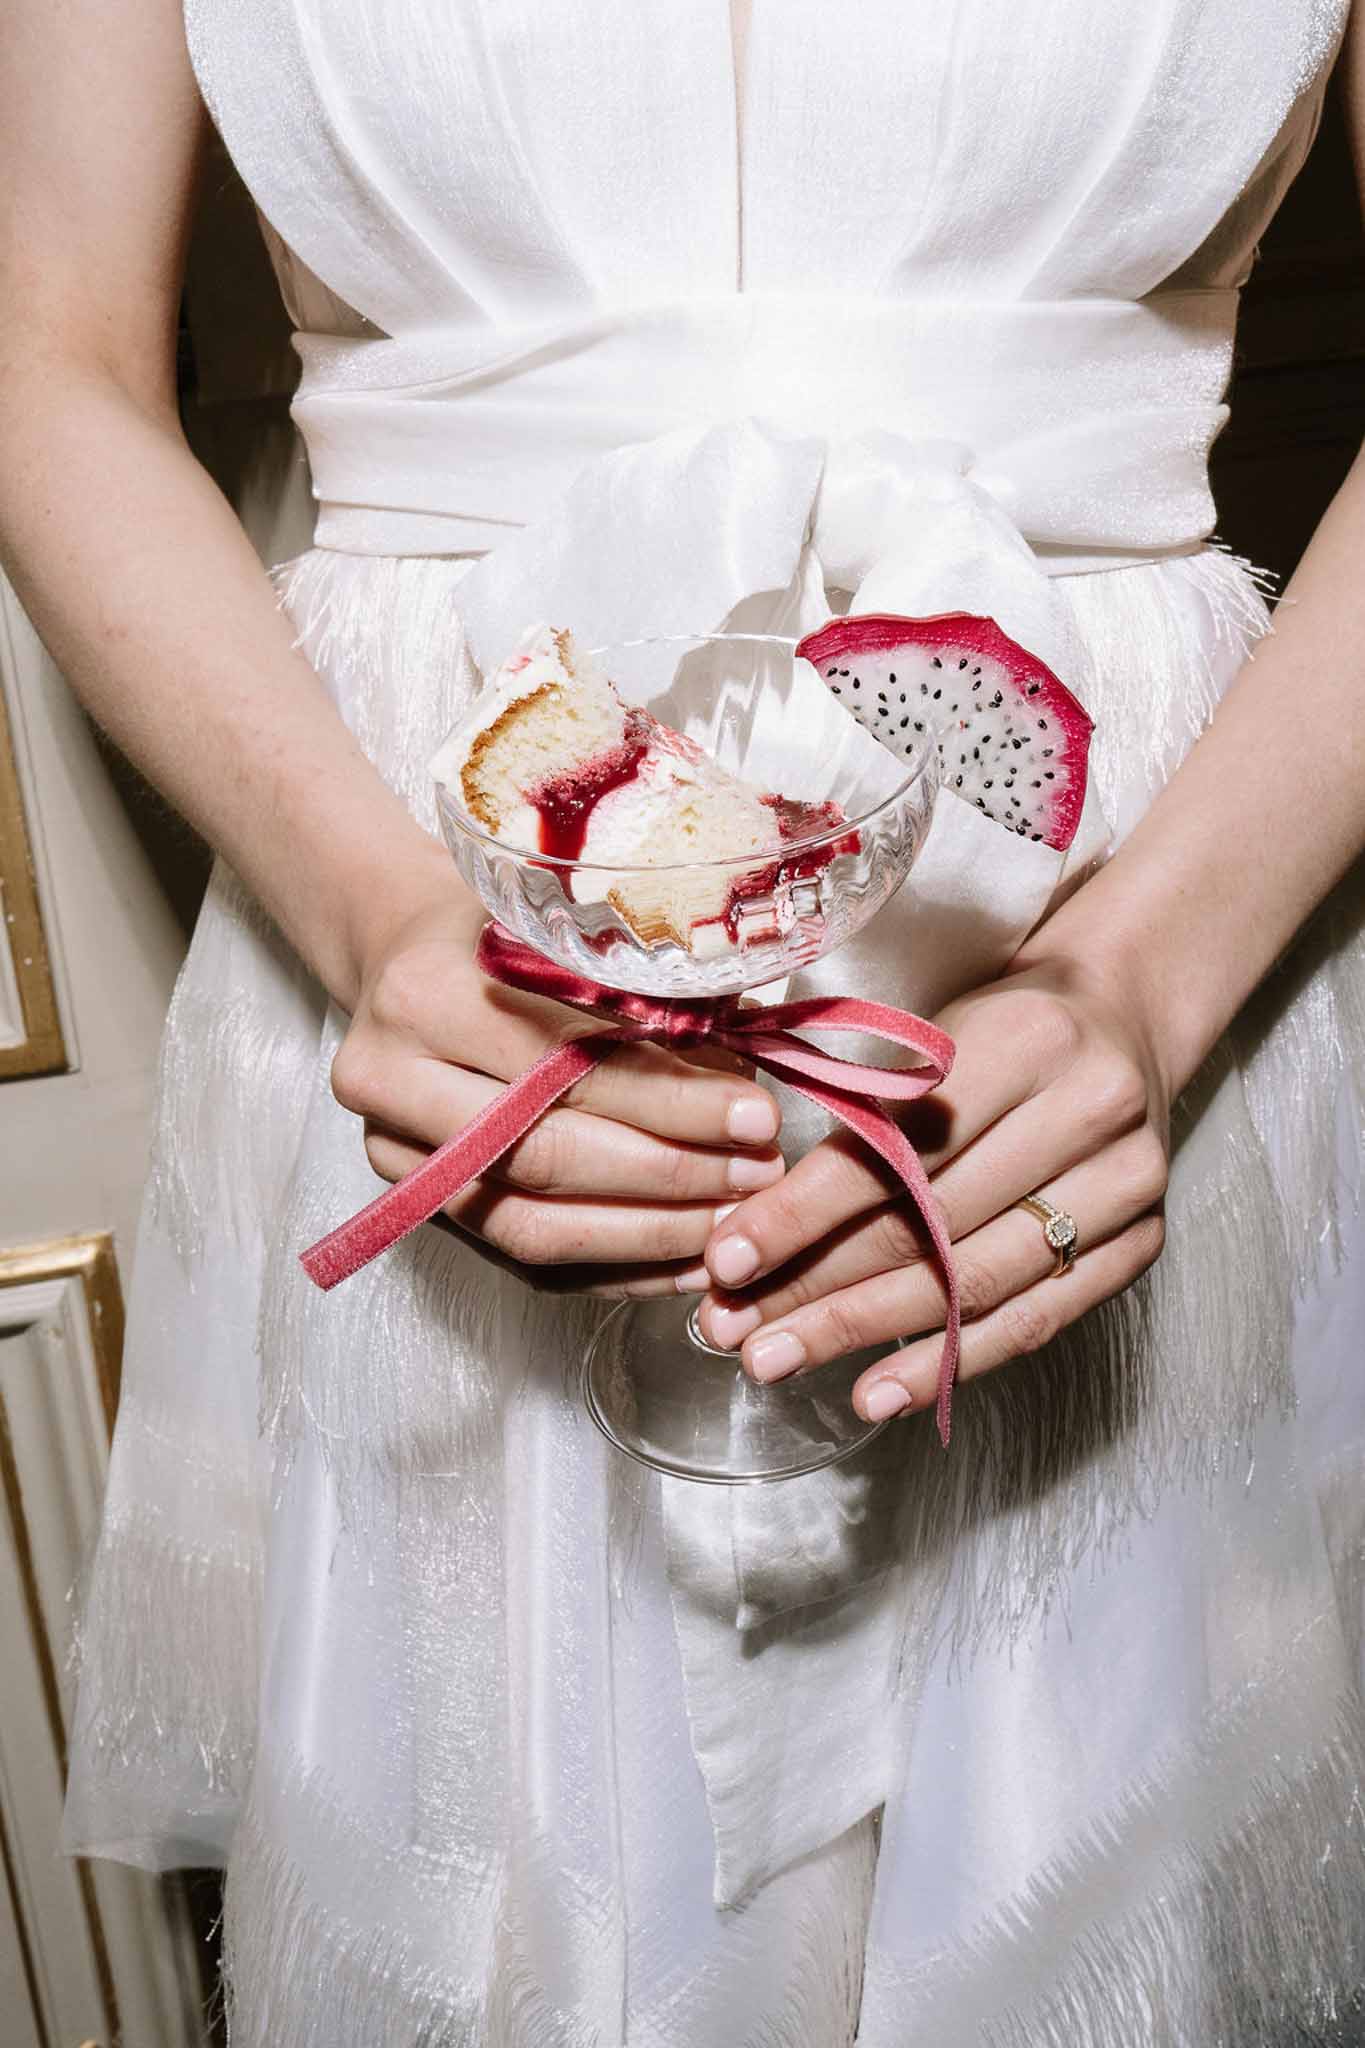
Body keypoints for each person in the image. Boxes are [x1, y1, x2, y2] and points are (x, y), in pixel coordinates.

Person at [2, 0, 1363, 2040]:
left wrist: (1139, 983)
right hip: (423, 905)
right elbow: (47, 345)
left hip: (1125, 937)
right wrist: (379, 913)